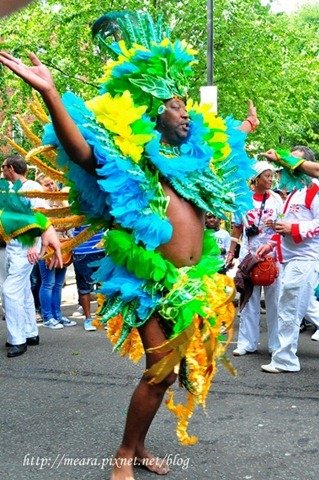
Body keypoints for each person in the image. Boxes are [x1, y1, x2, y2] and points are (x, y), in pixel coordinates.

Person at [0, 11, 258, 478]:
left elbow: (221, 149)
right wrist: (52, 93)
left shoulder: (197, 167)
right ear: (155, 110)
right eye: (178, 106)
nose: (186, 113)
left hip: (193, 282)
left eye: (186, 106)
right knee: (159, 370)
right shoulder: (135, 165)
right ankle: (124, 453)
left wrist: (242, 131)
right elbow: (83, 153)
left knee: (170, 374)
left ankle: (136, 447)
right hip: (144, 280)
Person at [256, 146, 319, 373]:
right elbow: (282, 225)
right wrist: (270, 244)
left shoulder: (315, 190)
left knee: (290, 309)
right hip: (288, 259)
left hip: (305, 258)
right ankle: (284, 357)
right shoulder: (291, 193)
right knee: (289, 307)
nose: (286, 167)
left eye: (293, 162)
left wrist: (293, 227)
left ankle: (285, 360)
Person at [1, 156, 56, 357]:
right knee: (22, 290)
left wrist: (35, 244)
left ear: (11, 168)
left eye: (4, 167)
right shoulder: (12, 188)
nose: (3, 171)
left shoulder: (32, 187)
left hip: (27, 248)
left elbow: (40, 216)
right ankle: (31, 333)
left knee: (10, 290)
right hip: (13, 246)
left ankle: (17, 340)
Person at [228, 161, 283, 356]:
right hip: (249, 255)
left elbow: (284, 224)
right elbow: (237, 227)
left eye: (272, 176)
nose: (271, 179)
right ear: (256, 178)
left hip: (272, 254)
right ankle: (246, 343)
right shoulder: (242, 199)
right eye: (267, 176)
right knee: (248, 297)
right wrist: (230, 252)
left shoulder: (277, 199)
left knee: (274, 301)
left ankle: (276, 344)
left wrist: (275, 223)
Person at [37, 174, 76, 329]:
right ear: (40, 188)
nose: (51, 186)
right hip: (47, 249)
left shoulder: (62, 202)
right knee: (48, 283)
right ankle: (47, 317)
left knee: (58, 284)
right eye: (47, 184)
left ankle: (58, 315)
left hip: (64, 246)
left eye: (52, 183)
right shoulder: (39, 205)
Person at [72, 226, 105, 332]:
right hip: (83, 251)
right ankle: (88, 319)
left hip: (102, 248)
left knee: (104, 285)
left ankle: (103, 316)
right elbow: (64, 225)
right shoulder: (74, 209)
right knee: (84, 288)